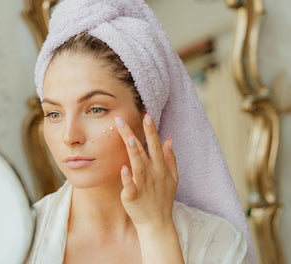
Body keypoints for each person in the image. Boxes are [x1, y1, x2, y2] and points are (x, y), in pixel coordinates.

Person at [26, 0, 255, 263]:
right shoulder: (15, 240)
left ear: (148, 113)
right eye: (54, 114)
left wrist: (156, 229)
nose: (69, 136)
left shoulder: (216, 242)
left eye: (96, 109)